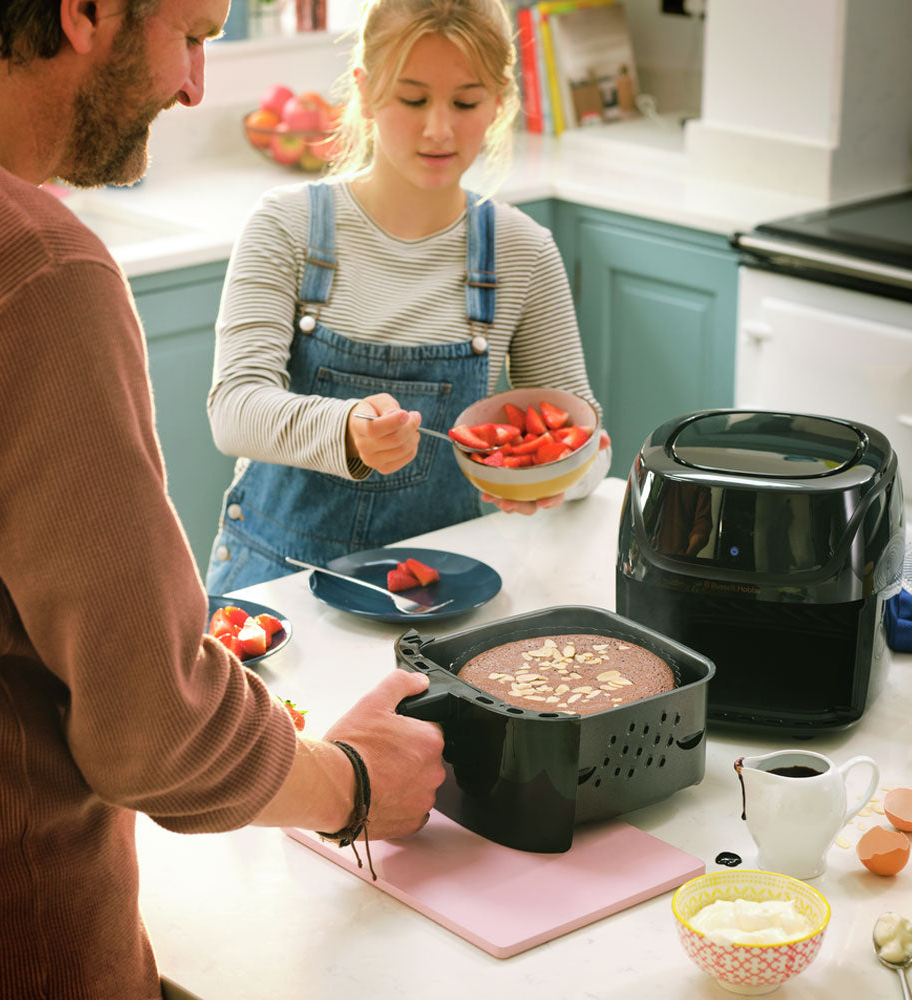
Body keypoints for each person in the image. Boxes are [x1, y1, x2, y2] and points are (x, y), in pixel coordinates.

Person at [0, 3, 445, 998]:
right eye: (191, 33)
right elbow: (157, 732)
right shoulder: (33, 270)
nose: (195, 85)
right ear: (87, 13)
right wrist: (355, 782)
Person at [205, 0, 612, 593]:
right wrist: (347, 429)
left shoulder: (523, 252)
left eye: (466, 102)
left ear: (498, 101)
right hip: (275, 583)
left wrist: (554, 477)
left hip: (436, 594)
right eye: (414, 99)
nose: (439, 129)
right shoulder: (286, 226)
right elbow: (234, 409)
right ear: (365, 93)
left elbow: (581, 442)